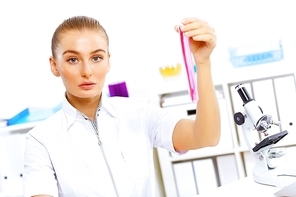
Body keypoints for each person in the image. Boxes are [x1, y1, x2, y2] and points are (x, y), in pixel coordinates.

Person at [23, 15, 220, 197]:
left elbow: (205, 136)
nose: (87, 71)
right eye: (73, 60)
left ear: (108, 61)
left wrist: (203, 63)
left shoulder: (139, 112)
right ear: (54, 65)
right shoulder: (41, 140)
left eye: (96, 58)